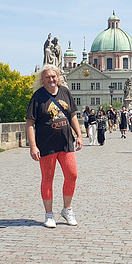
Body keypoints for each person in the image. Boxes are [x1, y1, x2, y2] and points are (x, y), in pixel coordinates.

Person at [26, 64, 82, 228]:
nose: (51, 79)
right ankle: (49, 214)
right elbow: (30, 123)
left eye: (54, 76)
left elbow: (72, 115)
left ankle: (67, 209)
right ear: (42, 79)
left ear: (58, 77)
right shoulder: (37, 97)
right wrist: (33, 146)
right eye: (48, 77)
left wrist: (78, 135)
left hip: (65, 142)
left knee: (72, 175)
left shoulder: (65, 92)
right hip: (46, 144)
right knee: (48, 179)